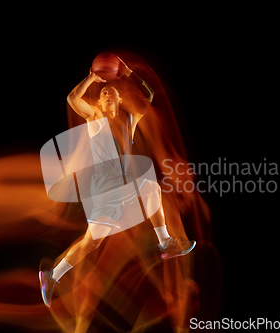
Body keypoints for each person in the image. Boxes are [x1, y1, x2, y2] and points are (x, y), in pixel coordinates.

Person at [39, 55, 196, 308]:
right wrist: (91, 78)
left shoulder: (129, 121)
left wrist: (129, 73)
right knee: (148, 190)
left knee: (93, 241)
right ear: (99, 101)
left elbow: (149, 97)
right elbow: (72, 99)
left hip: (119, 188)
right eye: (103, 94)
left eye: (111, 92)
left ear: (120, 98)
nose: (108, 95)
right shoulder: (94, 119)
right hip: (103, 188)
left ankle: (51, 276)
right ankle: (165, 242)